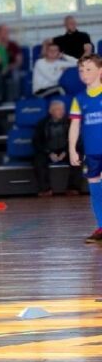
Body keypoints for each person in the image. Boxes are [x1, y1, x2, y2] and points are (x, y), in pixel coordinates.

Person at [68, 55, 102, 243]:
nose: (84, 73)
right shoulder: (79, 99)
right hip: (91, 152)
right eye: (81, 70)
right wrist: (72, 149)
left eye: (89, 69)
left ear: (100, 71)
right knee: (95, 189)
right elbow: (75, 125)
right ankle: (101, 227)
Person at [33, 100, 81, 196]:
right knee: (38, 160)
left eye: (63, 109)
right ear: (51, 111)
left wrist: (66, 152)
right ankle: (45, 189)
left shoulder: (70, 123)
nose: (62, 112)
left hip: (65, 151)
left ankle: (73, 188)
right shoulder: (42, 124)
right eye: (58, 109)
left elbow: (76, 140)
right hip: (48, 152)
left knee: (77, 158)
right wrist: (49, 153)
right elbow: (37, 142)